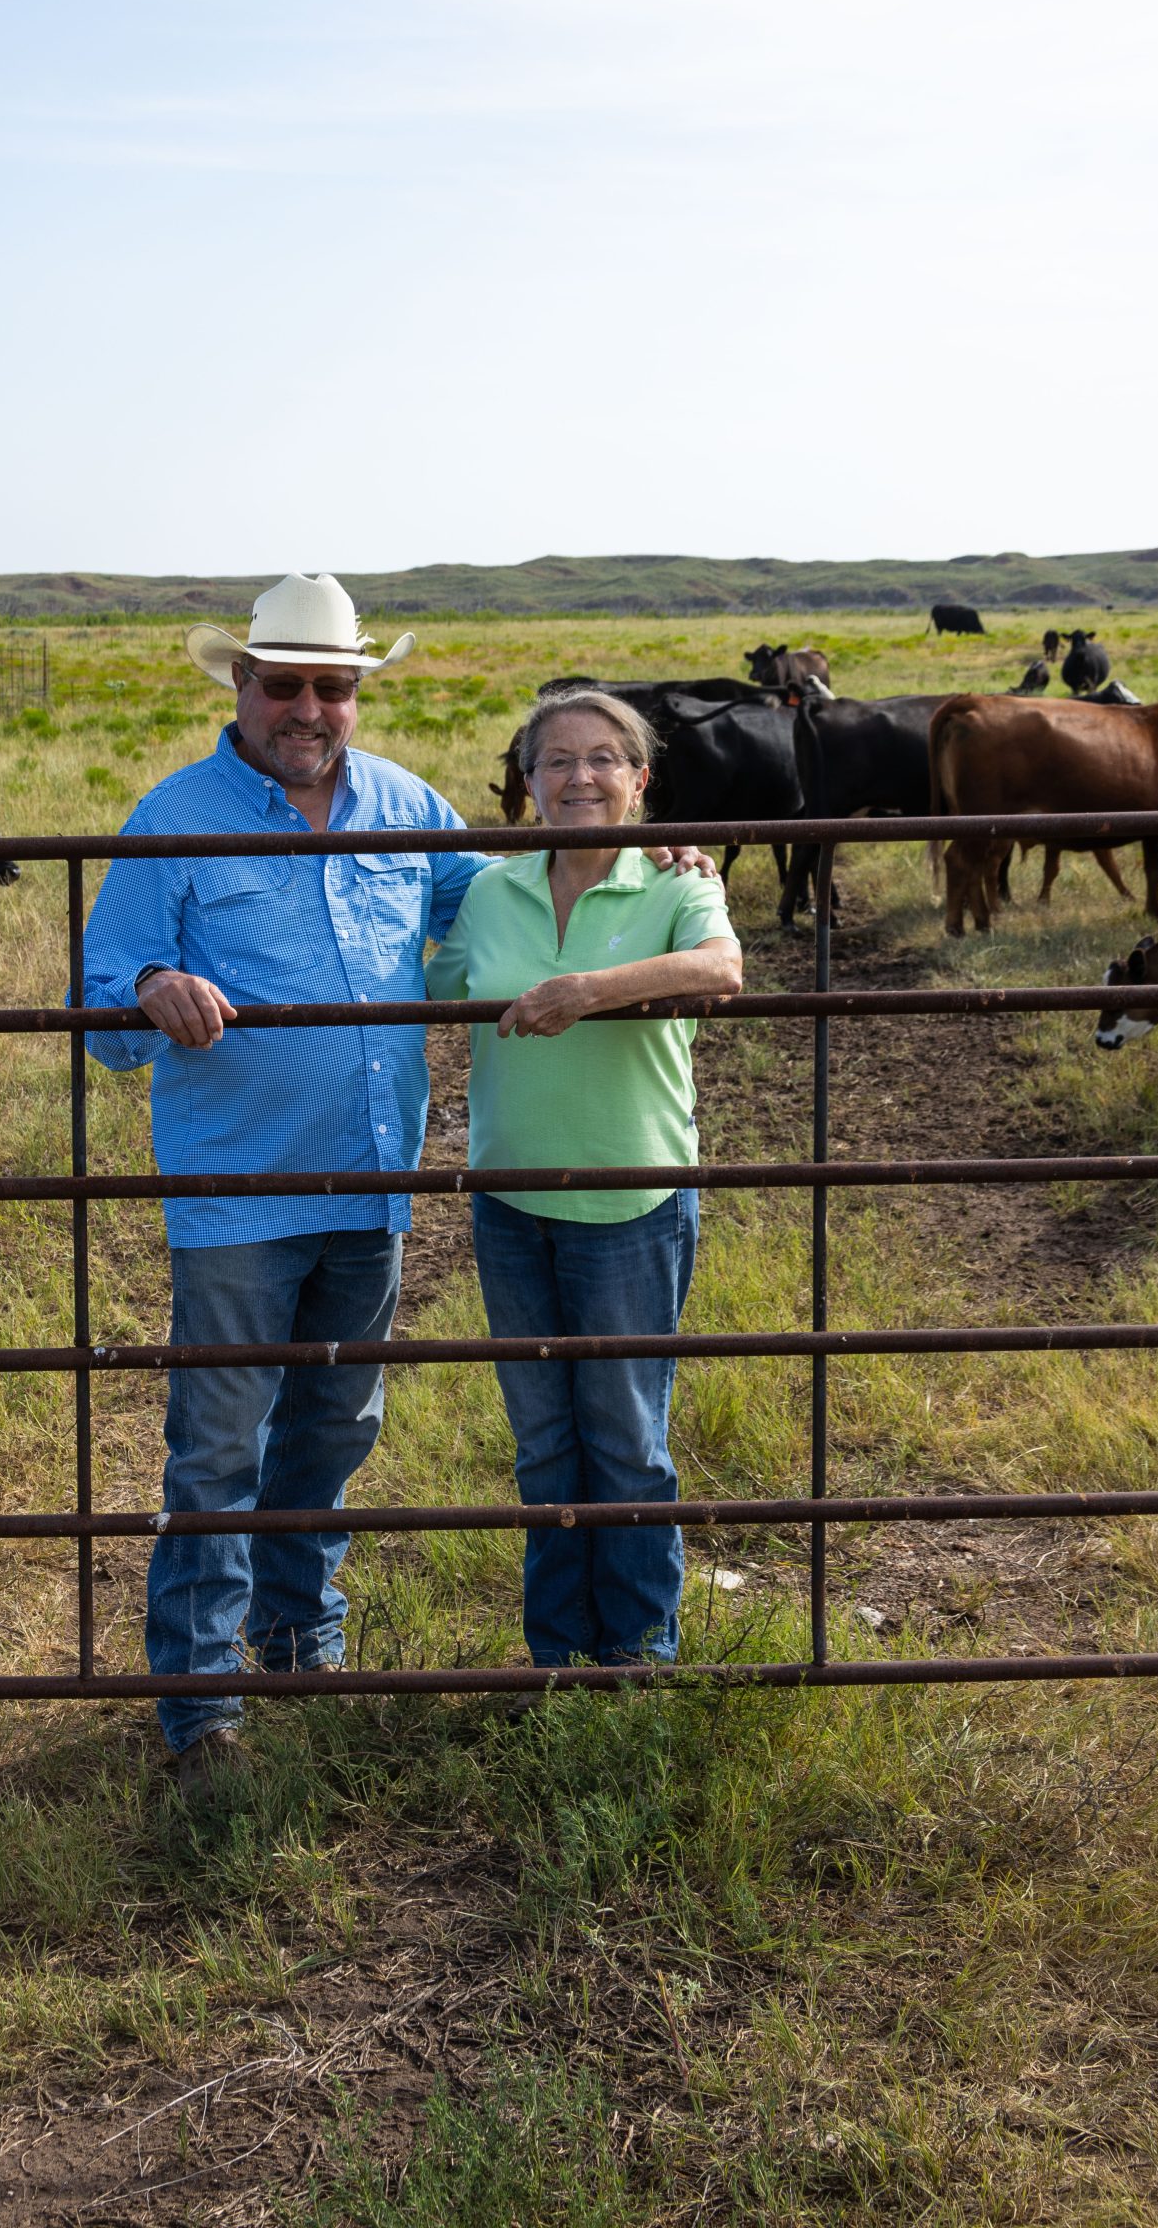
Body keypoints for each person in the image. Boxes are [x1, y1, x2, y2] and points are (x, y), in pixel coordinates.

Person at [77, 574, 490, 1798]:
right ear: (241, 687)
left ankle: (297, 1634)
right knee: (217, 1442)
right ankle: (200, 1702)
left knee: (333, 1426)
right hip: (239, 1193)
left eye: (334, 686)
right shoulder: (176, 816)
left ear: (357, 693)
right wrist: (150, 981)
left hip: (370, 1184)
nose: (309, 707)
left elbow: (514, 901)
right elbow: (102, 997)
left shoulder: (411, 806)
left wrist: (643, 850)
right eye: (287, 683)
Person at [424, 687, 742, 1677]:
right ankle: (558, 1651)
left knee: (626, 1436)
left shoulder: (677, 885)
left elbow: (721, 969)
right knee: (544, 1442)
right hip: (511, 1201)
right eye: (555, 760)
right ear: (528, 783)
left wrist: (589, 992)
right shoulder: (493, 893)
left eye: (604, 758)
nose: (579, 777)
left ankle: (641, 1649)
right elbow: (433, 983)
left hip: (630, 1201)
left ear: (640, 780)